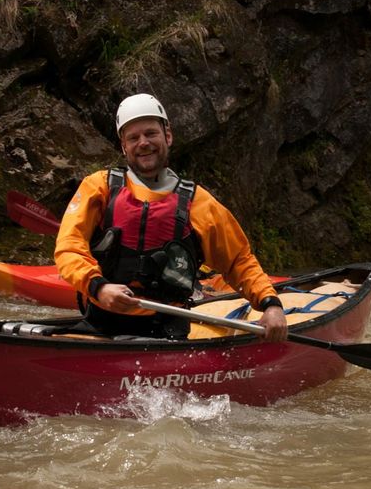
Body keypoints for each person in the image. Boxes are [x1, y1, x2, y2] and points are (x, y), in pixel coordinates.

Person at [55, 93, 288, 342]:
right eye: (133, 138)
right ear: (124, 147)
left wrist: (271, 305)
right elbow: (69, 248)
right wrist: (99, 287)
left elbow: (238, 262)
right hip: (102, 323)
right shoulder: (100, 187)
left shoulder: (198, 202)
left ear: (168, 136)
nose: (143, 143)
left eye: (150, 133)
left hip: (167, 330)